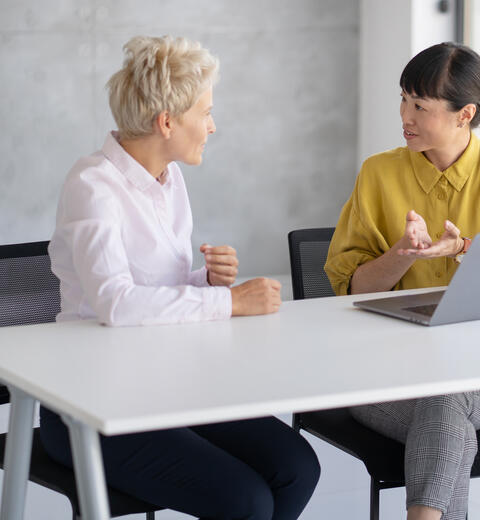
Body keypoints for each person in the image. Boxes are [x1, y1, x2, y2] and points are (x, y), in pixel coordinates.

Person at [42, 35, 319, 520]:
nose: (214, 126)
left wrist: (205, 280)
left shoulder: (169, 180)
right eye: (206, 112)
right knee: (247, 501)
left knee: (296, 467)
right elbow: (118, 304)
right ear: (166, 122)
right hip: (89, 401)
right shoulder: (92, 187)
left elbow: (154, 289)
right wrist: (228, 303)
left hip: (168, 384)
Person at [324, 42, 480, 520]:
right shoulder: (378, 173)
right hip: (381, 375)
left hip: (477, 375)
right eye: (403, 99)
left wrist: (464, 249)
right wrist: (400, 256)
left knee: (445, 402)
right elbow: (351, 288)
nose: (405, 115)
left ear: (464, 114)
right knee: (447, 418)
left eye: (420, 106)